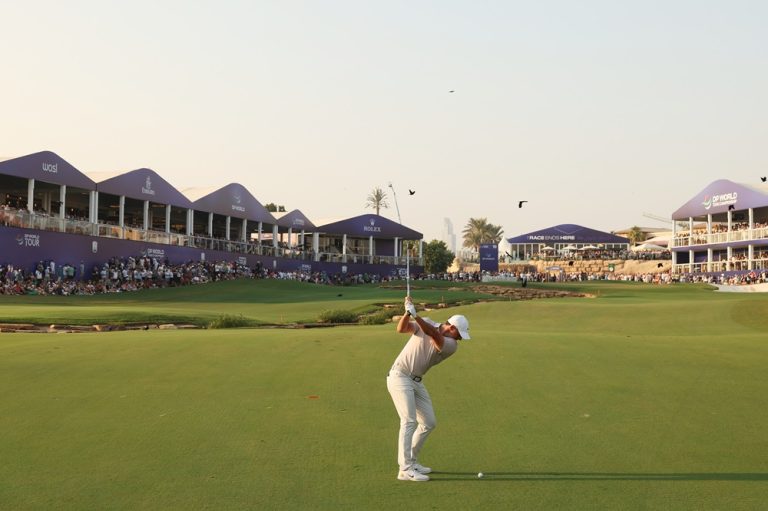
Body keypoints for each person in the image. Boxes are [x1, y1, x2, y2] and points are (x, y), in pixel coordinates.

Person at [386, 296, 471, 482]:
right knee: (409, 421)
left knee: (429, 422)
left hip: (416, 381)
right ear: (452, 327)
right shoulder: (428, 323)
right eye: (459, 334)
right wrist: (407, 313)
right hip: (400, 376)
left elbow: (433, 334)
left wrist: (416, 315)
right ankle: (405, 469)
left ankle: (412, 460)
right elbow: (401, 329)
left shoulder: (451, 345)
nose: (459, 339)